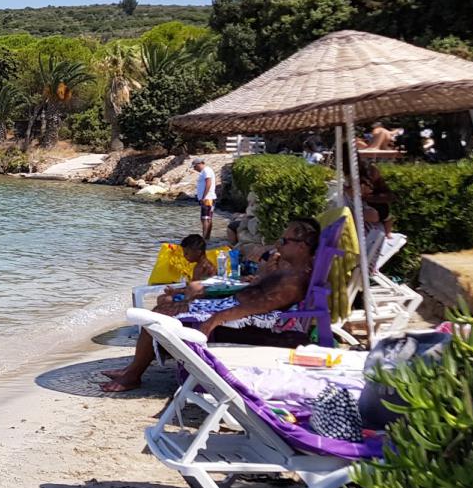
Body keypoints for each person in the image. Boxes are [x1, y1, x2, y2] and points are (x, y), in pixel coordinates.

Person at [101, 218, 320, 392]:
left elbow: (257, 306)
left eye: (284, 241)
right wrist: (264, 273)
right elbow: (260, 294)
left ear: (303, 246)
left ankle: (132, 376)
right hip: (239, 313)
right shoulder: (289, 271)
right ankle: (133, 369)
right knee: (165, 308)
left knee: (160, 314)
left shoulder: (293, 280)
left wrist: (213, 320)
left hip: (247, 327)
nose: (278, 246)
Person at [193, 158, 216, 241]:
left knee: (205, 218)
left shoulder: (206, 170)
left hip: (207, 198)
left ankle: (205, 238)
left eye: (195, 166)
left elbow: (208, 182)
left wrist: (203, 197)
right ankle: (207, 238)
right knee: (207, 218)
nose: (194, 169)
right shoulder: (204, 171)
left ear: (199, 164)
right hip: (207, 198)